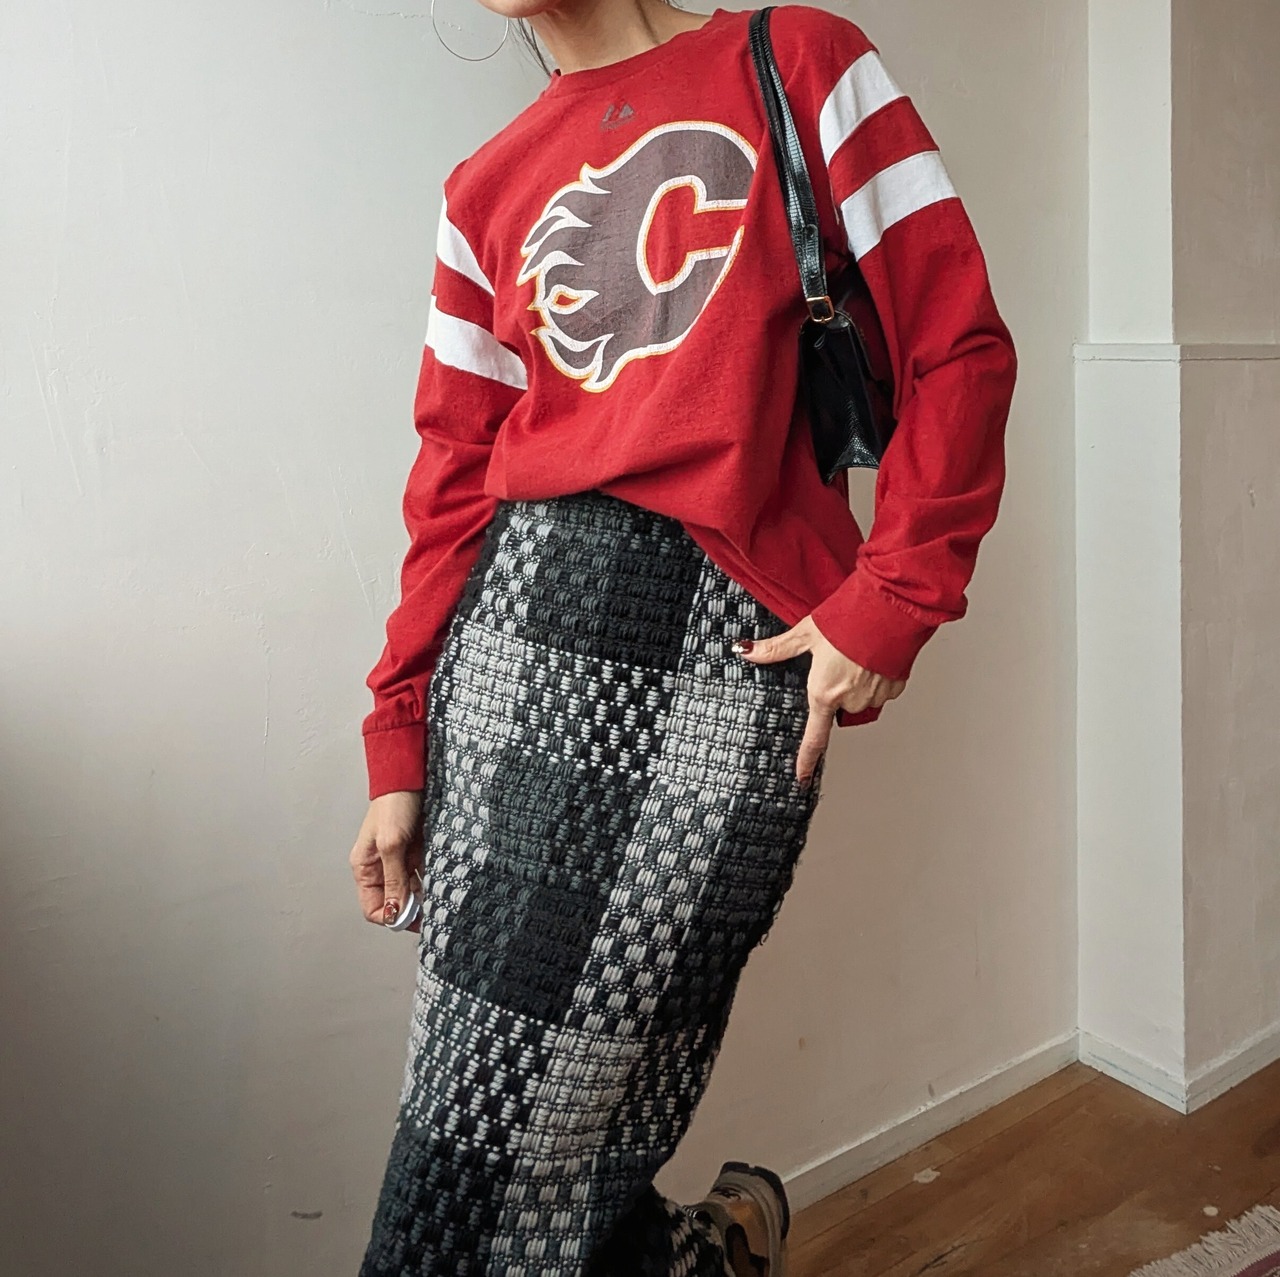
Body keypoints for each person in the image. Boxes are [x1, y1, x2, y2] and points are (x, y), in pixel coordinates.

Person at [349, 0, 1017, 1272]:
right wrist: (398, 732)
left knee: (521, 1146)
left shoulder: (797, 59)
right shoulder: (482, 187)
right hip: (510, 646)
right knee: (490, 1139)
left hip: (720, 655)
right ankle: (719, 1242)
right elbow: (452, 479)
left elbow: (958, 344)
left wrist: (894, 593)